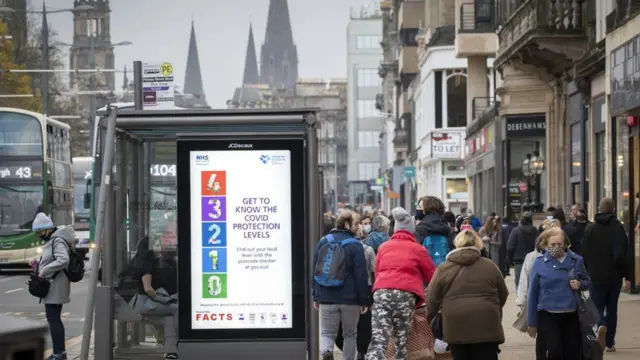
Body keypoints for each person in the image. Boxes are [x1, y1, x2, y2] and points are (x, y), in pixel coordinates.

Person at [366, 207, 436, 360]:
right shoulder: (418, 249)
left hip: (382, 292)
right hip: (405, 295)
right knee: (401, 341)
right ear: (412, 230)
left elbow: (377, 273)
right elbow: (432, 276)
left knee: (379, 338)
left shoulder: (384, 247)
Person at [427, 230, 508, 360]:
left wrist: (432, 319)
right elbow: (503, 293)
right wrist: (493, 308)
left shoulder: (444, 268)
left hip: (455, 323)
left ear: (457, 245)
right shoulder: (490, 266)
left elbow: (432, 298)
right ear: (478, 244)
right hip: (486, 323)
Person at [313, 210, 370, 360]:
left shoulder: (324, 241)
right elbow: (361, 275)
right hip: (350, 299)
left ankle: (326, 351)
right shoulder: (356, 245)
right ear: (346, 224)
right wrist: (364, 300)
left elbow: (315, 270)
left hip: (326, 296)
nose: (359, 227)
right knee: (350, 334)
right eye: (356, 223)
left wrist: (316, 295)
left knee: (326, 333)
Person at [527, 227, 591, 360]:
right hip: (547, 314)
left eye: (560, 244)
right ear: (546, 244)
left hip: (571, 314)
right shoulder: (539, 263)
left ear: (565, 243)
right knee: (554, 350)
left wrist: (580, 284)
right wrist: (532, 322)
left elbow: (587, 281)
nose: (556, 247)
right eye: (552, 244)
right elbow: (533, 294)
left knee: (572, 352)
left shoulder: (576, 260)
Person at [582, 197, 630, 352]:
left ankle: (601, 324)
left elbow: (584, 253)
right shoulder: (618, 228)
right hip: (614, 276)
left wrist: (587, 271)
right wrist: (626, 274)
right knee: (612, 308)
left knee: (596, 307)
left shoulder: (591, 229)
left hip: (596, 275)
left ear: (599, 208)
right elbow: (624, 253)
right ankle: (610, 342)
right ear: (614, 209)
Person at [32, 213, 75, 360]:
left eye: (40, 232)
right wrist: (38, 265)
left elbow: (63, 260)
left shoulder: (57, 241)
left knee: (53, 319)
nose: (39, 235)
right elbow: (53, 259)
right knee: (54, 318)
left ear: (47, 229)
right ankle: (60, 352)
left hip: (55, 285)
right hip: (55, 284)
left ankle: (59, 354)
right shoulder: (55, 240)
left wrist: (44, 271)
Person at [515, 219, 559, 360]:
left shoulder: (566, 257)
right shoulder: (532, 257)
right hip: (541, 303)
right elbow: (524, 281)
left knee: (548, 338)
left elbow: (523, 281)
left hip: (557, 303)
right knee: (544, 337)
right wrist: (522, 302)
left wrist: (522, 302)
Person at [336, 214, 377, 360]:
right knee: (360, 327)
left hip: (349, 292)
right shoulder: (366, 249)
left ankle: (359, 352)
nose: (361, 227)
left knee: (351, 328)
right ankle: (359, 352)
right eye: (359, 225)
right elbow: (372, 273)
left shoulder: (339, 247)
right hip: (362, 291)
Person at [130, 243, 179, 359]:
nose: (160, 248)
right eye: (157, 245)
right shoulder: (147, 263)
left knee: (169, 320)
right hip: (145, 303)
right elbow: (148, 289)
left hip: (141, 303)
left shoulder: (137, 262)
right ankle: (182, 340)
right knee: (177, 309)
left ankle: (171, 351)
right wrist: (166, 300)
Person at [415, 196, 456, 266]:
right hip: (446, 269)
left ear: (426, 210)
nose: (417, 209)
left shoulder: (419, 230)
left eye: (419, 207)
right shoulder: (449, 229)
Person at [507, 212, 539, 291]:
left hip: (519, 261)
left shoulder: (516, 231)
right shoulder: (535, 231)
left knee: (519, 283)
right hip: (533, 260)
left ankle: (520, 301)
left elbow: (510, 247)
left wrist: (509, 260)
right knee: (531, 282)